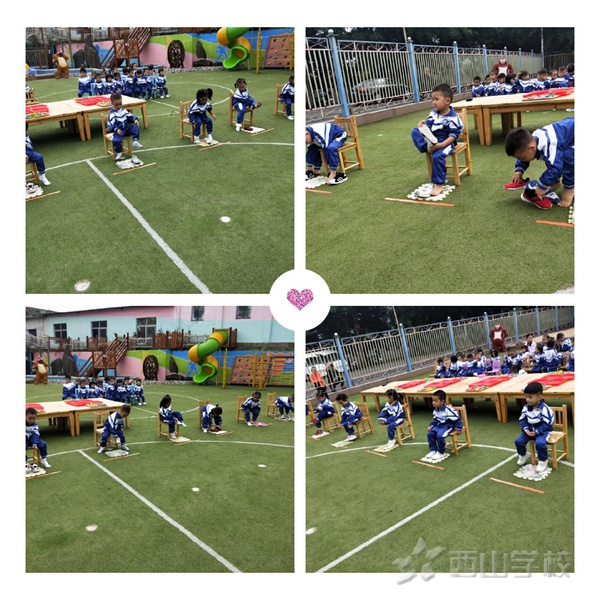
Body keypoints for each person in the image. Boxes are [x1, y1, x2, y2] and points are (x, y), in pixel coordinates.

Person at [505, 117, 574, 209]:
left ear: (532, 148)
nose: (522, 159)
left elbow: (555, 168)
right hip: (566, 133)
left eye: (522, 158)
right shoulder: (532, 141)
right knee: (551, 158)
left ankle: (570, 188)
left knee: (567, 158)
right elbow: (525, 157)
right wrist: (519, 170)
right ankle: (555, 182)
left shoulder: (550, 145)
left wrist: (542, 186)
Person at [411, 83, 463, 198]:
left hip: (446, 141)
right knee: (414, 131)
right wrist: (423, 126)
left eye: (436, 99)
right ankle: (427, 147)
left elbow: (454, 135)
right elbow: (428, 126)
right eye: (432, 99)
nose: (433, 102)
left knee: (437, 156)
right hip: (432, 139)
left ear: (447, 100)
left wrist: (441, 145)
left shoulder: (453, 118)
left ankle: (439, 183)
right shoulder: (433, 113)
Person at [515, 381, 554, 473]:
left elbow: (547, 424)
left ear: (539, 397)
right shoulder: (526, 407)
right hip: (529, 429)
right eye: (526, 397)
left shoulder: (545, 409)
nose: (527, 400)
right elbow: (522, 419)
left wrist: (537, 432)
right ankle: (523, 455)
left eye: (530, 397)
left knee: (540, 443)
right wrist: (525, 429)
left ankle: (543, 461)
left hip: (543, 431)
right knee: (518, 441)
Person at [425, 390, 462, 460]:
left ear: (442, 401)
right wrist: (431, 426)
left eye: (436, 401)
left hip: (447, 426)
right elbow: (435, 420)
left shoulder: (448, 410)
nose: (433, 403)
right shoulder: (435, 410)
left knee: (439, 436)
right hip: (439, 426)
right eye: (433, 401)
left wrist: (459, 428)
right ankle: (433, 450)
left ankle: (441, 452)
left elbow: (457, 419)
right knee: (429, 434)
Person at [107, 92, 143, 160]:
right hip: (119, 131)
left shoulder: (123, 110)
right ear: (112, 103)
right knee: (116, 140)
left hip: (126, 129)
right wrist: (116, 129)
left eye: (120, 104)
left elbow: (129, 116)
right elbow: (110, 124)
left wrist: (134, 119)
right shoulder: (112, 114)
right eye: (116, 105)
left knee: (135, 127)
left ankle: (135, 141)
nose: (119, 106)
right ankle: (119, 152)